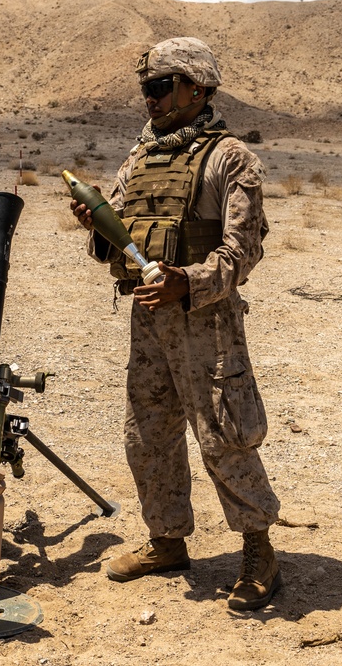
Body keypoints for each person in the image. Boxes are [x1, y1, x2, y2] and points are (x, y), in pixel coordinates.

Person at [70, 37, 282, 610]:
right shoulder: (140, 158)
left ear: (197, 87)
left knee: (225, 432)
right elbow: (118, 240)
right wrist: (96, 225)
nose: (151, 99)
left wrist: (187, 281)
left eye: (161, 87)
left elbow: (244, 252)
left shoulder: (230, 158)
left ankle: (259, 552)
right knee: (148, 433)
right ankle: (166, 540)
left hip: (204, 320)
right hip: (148, 318)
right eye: (147, 88)